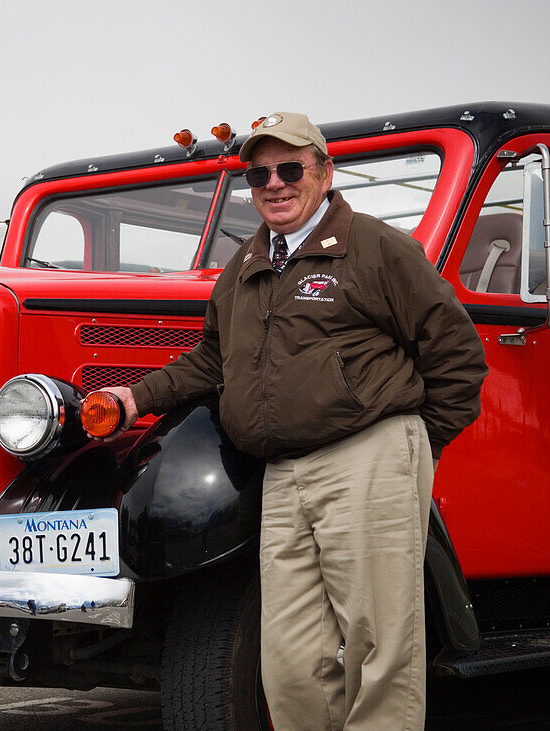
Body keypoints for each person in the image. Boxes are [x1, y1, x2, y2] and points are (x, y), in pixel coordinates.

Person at [93, 112, 487, 730]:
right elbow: (211, 360)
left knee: (379, 646)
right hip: (280, 474)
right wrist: (133, 400)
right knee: (289, 658)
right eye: (258, 174)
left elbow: (457, 354)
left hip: (367, 457)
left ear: (324, 172)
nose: (273, 184)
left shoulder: (377, 248)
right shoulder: (246, 265)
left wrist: (409, 442)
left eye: (289, 168)